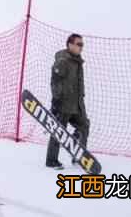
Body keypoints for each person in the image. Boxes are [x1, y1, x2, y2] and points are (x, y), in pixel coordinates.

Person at [46, 34, 90, 170]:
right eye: (79, 44)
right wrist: (56, 101)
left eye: (82, 44)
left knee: (84, 126)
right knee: (59, 132)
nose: (81, 47)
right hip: (63, 104)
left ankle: (78, 154)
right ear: (70, 44)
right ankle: (51, 160)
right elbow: (55, 82)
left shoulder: (77, 61)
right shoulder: (63, 61)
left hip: (77, 105)